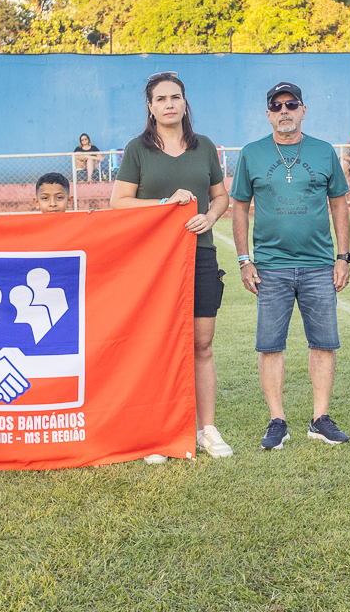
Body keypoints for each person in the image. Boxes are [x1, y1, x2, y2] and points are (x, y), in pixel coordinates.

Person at [111, 72, 232, 462]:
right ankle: (158, 434)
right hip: (154, 262)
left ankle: (207, 429)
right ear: (150, 107)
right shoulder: (138, 149)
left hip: (200, 256)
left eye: (175, 97)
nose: (169, 104)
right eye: (160, 99)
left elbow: (220, 196)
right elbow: (119, 202)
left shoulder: (204, 146)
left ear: (184, 102)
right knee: (157, 345)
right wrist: (165, 205)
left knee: (202, 345)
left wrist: (210, 217)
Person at [231, 82, 350, 450]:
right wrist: (244, 260)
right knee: (270, 346)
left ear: (303, 110)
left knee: (324, 343)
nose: (284, 110)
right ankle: (277, 420)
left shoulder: (323, 151)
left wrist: (343, 257)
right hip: (270, 267)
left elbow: (339, 204)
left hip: (319, 264)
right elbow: (239, 208)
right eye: (276, 105)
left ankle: (320, 419)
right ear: (268, 114)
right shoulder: (252, 154)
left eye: (291, 104)